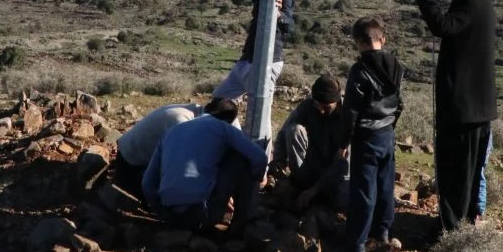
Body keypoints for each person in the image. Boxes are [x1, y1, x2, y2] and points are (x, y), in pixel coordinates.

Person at [414, 0, 497, 231]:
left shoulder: (468, 1)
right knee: (470, 171)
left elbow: (442, 27)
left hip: (464, 108)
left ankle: (450, 229)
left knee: (455, 171)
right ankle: (468, 220)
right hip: (477, 107)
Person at [142, 103, 267, 237]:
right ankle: (243, 224)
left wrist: (160, 212)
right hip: (202, 214)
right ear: (229, 119)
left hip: (170, 216)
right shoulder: (223, 127)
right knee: (241, 156)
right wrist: (257, 180)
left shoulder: (172, 131)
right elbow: (260, 158)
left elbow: (147, 183)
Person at [340, 17, 403, 252]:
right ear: (382, 39)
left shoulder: (359, 70)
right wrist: (391, 125)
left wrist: (344, 142)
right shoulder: (396, 65)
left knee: (363, 194)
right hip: (387, 133)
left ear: (357, 41)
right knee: (386, 188)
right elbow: (398, 102)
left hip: (366, 137)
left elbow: (351, 111)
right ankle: (382, 236)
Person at [213, 0, 295, 127]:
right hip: (247, 59)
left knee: (259, 115)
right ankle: (232, 135)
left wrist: (278, 13)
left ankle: (258, 144)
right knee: (218, 102)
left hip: (267, 61)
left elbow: (289, 26)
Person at [115, 99, 230, 197]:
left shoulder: (194, 112)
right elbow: (182, 167)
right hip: (130, 167)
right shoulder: (180, 122)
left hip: (135, 158)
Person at [272, 73, 349, 212]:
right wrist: (279, 160)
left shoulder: (348, 116)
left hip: (335, 174)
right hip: (311, 166)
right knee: (294, 130)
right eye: (318, 105)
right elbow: (284, 132)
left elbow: (342, 165)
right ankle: (299, 183)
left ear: (336, 102)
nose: (321, 110)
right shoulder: (307, 105)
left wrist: (315, 190)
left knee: (344, 200)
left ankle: (319, 198)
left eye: (326, 107)